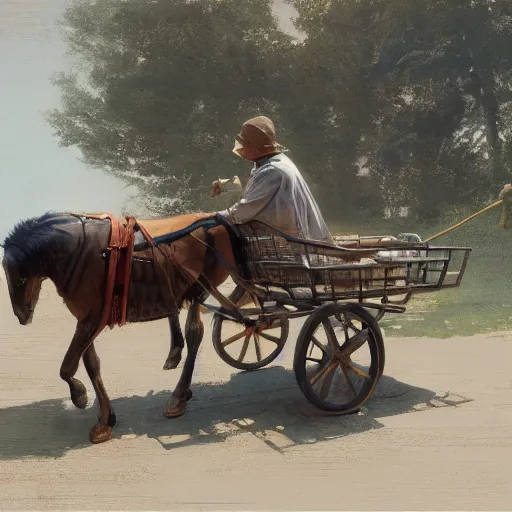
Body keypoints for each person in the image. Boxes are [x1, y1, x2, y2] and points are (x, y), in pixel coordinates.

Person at [213, 116, 334, 243]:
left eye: (244, 143)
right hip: (290, 234)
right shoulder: (273, 162)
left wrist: (213, 218)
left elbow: (243, 210)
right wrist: (224, 185)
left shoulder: (273, 170)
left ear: (254, 147)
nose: (241, 147)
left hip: (293, 242)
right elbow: (254, 184)